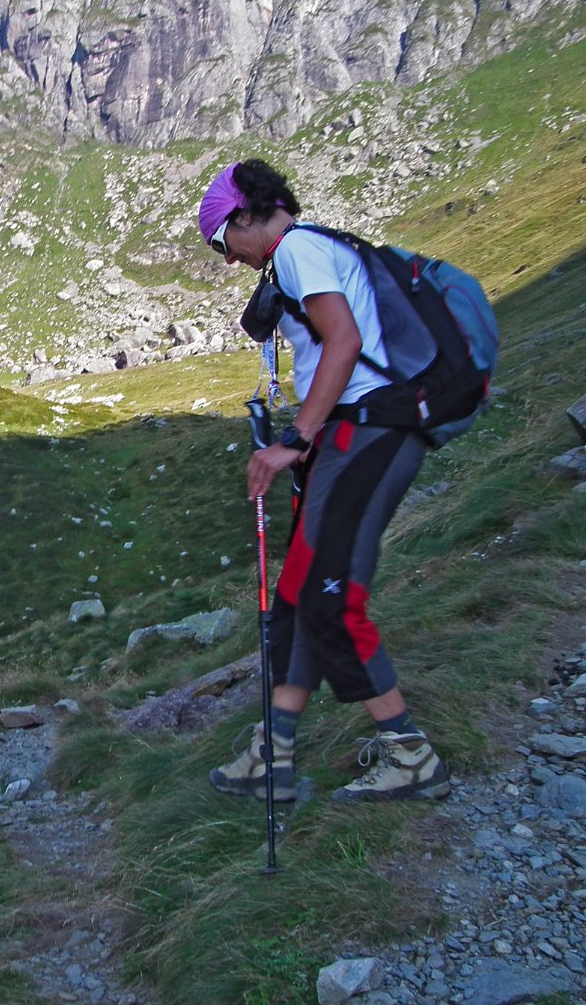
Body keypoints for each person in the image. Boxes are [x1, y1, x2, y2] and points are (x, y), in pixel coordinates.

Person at [196, 159, 450, 803]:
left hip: (365, 434)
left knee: (329, 598)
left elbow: (342, 342)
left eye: (222, 243)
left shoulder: (299, 249)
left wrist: (296, 440)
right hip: (347, 438)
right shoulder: (306, 251)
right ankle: (271, 751)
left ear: (246, 216)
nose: (228, 260)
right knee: (299, 593)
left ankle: (410, 756)